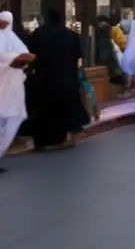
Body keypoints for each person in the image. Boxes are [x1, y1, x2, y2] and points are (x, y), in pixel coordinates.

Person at [27, 9, 89, 148]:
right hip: (67, 79)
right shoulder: (71, 35)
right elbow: (78, 57)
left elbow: (31, 55)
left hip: (45, 80)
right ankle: (66, 137)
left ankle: (46, 141)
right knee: (66, 110)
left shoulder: (39, 34)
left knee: (47, 112)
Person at [0, 11, 34, 171]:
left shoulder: (13, 39)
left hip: (12, 87)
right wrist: (9, 63)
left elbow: (26, 56)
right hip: (7, 87)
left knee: (11, 120)